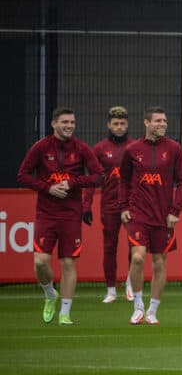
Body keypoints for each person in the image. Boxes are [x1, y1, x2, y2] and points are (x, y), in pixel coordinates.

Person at [17, 107, 104, 325]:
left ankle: (65, 312)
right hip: (46, 214)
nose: (69, 126)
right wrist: (47, 188)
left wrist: (73, 182)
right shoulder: (41, 147)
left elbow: (99, 175)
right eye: (65, 122)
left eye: (72, 123)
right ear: (54, 124)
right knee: (40, 262)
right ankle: (49, 294)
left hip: (71, 215)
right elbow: (23, 175)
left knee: (68, 263)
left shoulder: (81, 148)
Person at [119, 106, 182, 325]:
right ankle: (138, 306)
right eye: (158, 121)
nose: (162, 124)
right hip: (139, 214)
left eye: (164, 121)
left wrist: (175, 211)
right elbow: (123, 181)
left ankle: (153, 311)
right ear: (146, 123)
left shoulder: (174, 149)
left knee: (159, 263)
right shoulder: (132, 149)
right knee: (138, 257)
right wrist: (123, 207)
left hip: (163, 216)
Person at [82, 106, 135, 303]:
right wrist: (85, 206)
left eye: (122, 123)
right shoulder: (99, 149)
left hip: (131, 206)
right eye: (116, 124)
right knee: (109, 247)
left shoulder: (135, 147)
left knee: (135, 246)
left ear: (127, 124)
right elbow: (92, 180)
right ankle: (111, 290)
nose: (119, 127)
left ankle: (131, 284)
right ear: (109, 125)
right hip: (109, 206)